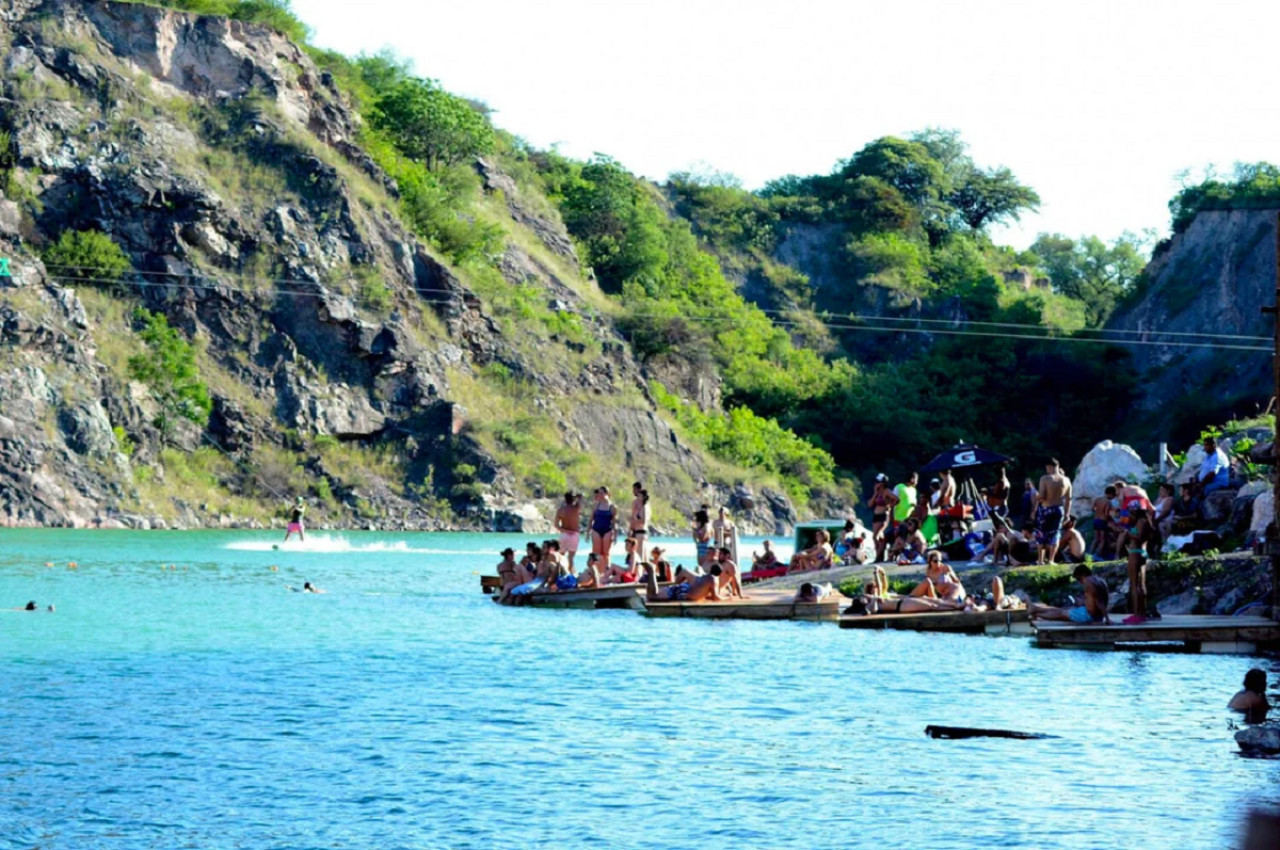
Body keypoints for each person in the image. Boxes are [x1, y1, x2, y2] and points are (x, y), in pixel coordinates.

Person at [1029, 564, 1110, 624]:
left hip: (1089, 617)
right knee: (1063, 610)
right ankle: (1036, 609)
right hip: (1095, 615)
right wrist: (1082, 602)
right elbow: (1099, 600)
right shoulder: (1100, 580)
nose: (1080, 582)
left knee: (1060, 614)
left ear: (1083, 574)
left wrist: (1107, 619)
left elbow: (1099, 601)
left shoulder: (1088, 582)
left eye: (1079, 579)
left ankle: (1037, 614)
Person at [1122, 506, 1155, 624]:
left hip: (1135, 553)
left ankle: (1137, 614)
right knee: (1141, 585)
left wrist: (1127, 533)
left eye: (1131, 514)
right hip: (1142, 553)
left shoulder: (1141, 522)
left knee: (1134, 585)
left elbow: (1138, 537)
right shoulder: (1147, 522)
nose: (1130, 517)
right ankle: (1142, 613)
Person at [1035, 458, 1072, 565]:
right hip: (1059, 509)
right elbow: (1069, 499)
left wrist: (1037, 497)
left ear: (1050, 467)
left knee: (1041, 534)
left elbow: (1042, 495)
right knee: (1055, 534)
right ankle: (1051, 560)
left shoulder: (1045, 479)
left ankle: (1040, 560)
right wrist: (1067, 514)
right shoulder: (1066, 480)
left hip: (1046, 509)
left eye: (1047, 468)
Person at [647, 562, 721, 603]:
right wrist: (727, 597)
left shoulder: (706, 577)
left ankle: (651, 571)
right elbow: (715, 597)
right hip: (684, 592)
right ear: (719, 574)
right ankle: (651, 571)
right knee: (652, 597)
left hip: (685, 588)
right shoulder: (713, 579)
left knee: (652, 595)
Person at [867, 474, 895, 562]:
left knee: (876, 536)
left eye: (878, 482)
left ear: (883, 483)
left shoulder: (887, 491)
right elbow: (870, 504)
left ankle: (878, 556)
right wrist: (875, 493)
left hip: (883, 516)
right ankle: (879, 556)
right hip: (876, 516)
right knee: (878, 537)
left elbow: (897, 499)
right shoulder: (877, 492)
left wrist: (890, 505)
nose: (876, 483)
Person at [554, 492, 582, 571]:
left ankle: (559, 573)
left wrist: (565, 530)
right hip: (574, 534)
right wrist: (579, 497)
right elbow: (580, 500)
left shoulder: (560, 510)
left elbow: (556, 525)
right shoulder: (576, 508)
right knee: (571, 558)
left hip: (564, 534)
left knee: (561, 556)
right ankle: (570, 574)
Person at [589, 487, 618, 560]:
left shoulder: (612, 507)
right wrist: (587, 532)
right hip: (596, 530)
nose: (600, 495)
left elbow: (614, 522)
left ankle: (606, 570)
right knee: (596, 553)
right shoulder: (596, 505)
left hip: (607, 530)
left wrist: (615, 535)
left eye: (602, 493)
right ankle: (596, 570)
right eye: (599, 493)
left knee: (606, 553)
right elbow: (591, 519)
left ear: (607, 493)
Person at [1091, 486, 1115, 558]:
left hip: (1095, 520)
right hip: (1102, 521)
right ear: (1110, 494)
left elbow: (1092, 509)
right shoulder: (1108, 502)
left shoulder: (1097, 499)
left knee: (1096, 539)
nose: (1113, 497)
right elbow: (1106, 514)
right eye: (1113, 495)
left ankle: (1089, 553)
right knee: (1102, 540)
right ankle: (1097, 555)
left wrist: (1098, 511)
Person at [629, 483, 651, 562]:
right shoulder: (642, 505)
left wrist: (634, 522)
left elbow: (643, 520)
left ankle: (639, 571)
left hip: (640, 532)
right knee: (642, 554)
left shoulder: (643, 506)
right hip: (640, 531)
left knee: (639, 555)